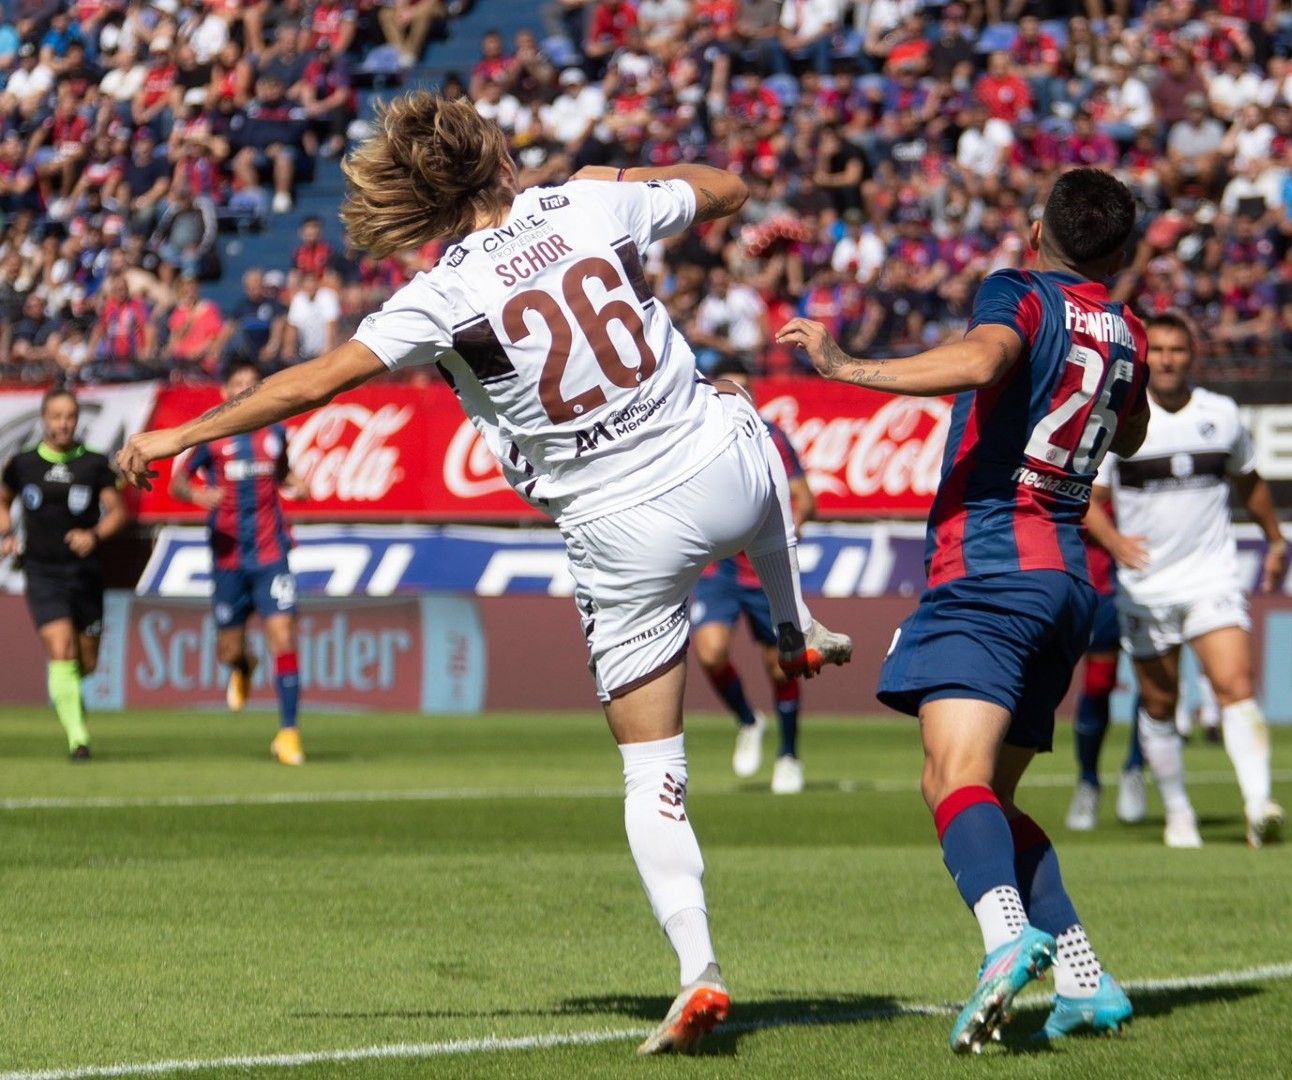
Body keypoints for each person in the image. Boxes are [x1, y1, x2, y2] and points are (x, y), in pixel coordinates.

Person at [118, 93, 850, 1057]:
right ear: (500, 157)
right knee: (740, 410)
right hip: (722, 473)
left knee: (651, 769)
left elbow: (311, 384)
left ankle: (698, 967)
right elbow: (727, 189)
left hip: (617, 529)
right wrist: (621, 177)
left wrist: (178, 434)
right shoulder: (585, 203)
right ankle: (795, 621)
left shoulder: (438, 295)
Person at [777, 167, 1149, 1051]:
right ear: (1119, 252)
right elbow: (1130, 434)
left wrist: (844, 365)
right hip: (1066, 582)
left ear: (1037, 231)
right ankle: (1086, 980)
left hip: (990, 566)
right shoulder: (1129, 329)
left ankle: (1005, 939)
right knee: (988, 793)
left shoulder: (1019, 290)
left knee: (952, 779)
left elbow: (983, 361)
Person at [1084, 313, 1287, 850]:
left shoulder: (1222, 414)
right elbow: (1087, 498)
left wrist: (1275, 538)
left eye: (1178, 350)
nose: (1169, 359)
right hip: (1146, 587)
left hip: (1211, 578)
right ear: (1146, 358)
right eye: (1160, 350)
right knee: (1158, 703)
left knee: (1236, 688)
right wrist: (1115, 542)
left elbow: (1251, 483)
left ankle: (1258, 805)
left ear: (1193, 356)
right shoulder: (1120, 420)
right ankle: (1178, 813)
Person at [170, 360, 310, 766]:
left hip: (272, 554)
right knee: (230, 650)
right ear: (225, 393)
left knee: (283, 636)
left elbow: (283, 473)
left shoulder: (276, 433)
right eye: (238, 384)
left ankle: (288, 733)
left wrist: (295, 483)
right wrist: (197, 495)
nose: (246, 390)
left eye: (253, 383)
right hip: (228, 556)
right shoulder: (212, 436)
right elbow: (178, 482)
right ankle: (244, 667)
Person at [691, 357, 814, 795]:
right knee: (710, 652)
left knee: (781, 669)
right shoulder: (696, 437)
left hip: (761, 568)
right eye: (728, 388)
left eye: (744, 388)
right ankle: (748, 720)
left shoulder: (772, 437)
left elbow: (805, 498)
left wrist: (789, 528)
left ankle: (789, 755)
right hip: (718, 565)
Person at [0, 389, 127, 760]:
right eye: (56, 416)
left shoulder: (94, 463)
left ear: (77, 419)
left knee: (86, 662)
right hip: (42, 571)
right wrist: (7, 534)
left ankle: (69, 699)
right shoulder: (22, 463)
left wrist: (94, 535)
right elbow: (3, 500)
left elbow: (117, 513)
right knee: (61, 649)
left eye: (70, 416)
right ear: (44, 419)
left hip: (85, 574)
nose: (63, 423)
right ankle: (78, 739)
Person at [1063, 484, 1148, 833]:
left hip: (1151, 579)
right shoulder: (1094, 462)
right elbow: (1083, 501)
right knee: (1099, 683)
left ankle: (1135, 769)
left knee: (1155, 683)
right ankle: (1088, 781)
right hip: (1103, 584)